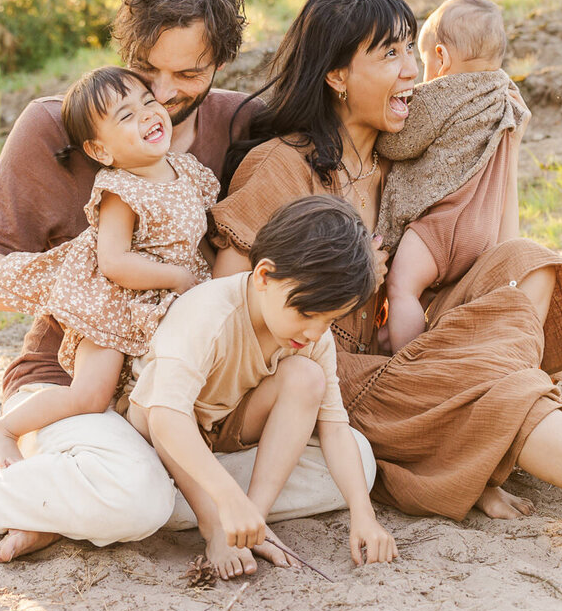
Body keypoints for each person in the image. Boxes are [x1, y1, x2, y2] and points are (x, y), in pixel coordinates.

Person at [0, 0, 369, 569]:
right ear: (126, 50)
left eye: (190, 74)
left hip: (188, 396)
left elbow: (349, 118)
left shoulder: (237, 124)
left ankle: (68, 502)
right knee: (137, 499)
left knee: (355, 466)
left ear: (222, 64)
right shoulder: (58, 126)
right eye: (148, 72)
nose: (165, 95)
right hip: (76, 381)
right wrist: (84, 277)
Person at [210, 0, 562, 554]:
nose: (411, 73)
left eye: (410, 51)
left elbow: (495, 255)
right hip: (333, 367)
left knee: (531, 264)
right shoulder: (281, 165)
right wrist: (344, 280)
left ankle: (483, 425)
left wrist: (509, 146)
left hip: (402, 341)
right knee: (484, 378)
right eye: (390, 55)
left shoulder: (394, 159)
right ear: (337, 76)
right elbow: (227, 303)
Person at [127, 195, 397, 579]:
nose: (316, 332)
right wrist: (222, 502)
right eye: (307, 314)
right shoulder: (208, 313)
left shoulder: (311, 336)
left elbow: (335, 427)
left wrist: (363, 514)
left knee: (317, 392)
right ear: (264, 277)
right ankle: (215, 522)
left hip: (226, 428)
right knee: (147, 468)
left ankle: (252, 519)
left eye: (330, 319)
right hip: (161, 434)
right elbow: (166, 417)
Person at [0, 66, 218, 468]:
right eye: (125, 116)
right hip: (111, 306)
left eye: (148, 101)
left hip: (160, 304)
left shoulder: (188, 172)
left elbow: (201, 240)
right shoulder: (121, 190)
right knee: (91, 395)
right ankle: (3, 430)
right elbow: (113, 261)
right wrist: (179, 278)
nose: (146, 114)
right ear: (101, 151)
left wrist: (211, 287)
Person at [374, 0, 530, 353]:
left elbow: (398, 146)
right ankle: (400, 343)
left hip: (441, 226)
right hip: (483, 230)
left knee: (401, 288)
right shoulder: (505, 95)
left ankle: (408, 360)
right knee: (428, 297)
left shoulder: (440, 95)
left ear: (441, 58)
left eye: (423, 59)